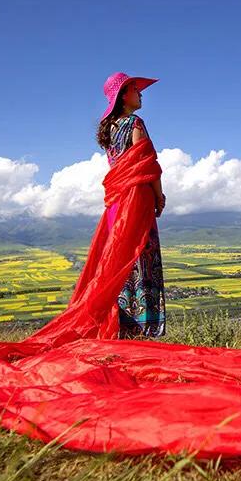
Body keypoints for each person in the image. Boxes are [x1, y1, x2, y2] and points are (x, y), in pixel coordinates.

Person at [95, 71, 167, 338]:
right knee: (143, 256)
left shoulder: (109, 129)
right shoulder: (135, 123)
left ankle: (123, 327)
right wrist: (159, 196)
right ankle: (145, 327)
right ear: (123, 95)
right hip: (137, 199)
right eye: (136, 89)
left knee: (119, 259)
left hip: (116, 203)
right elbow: (147, 164)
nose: (141, 93)